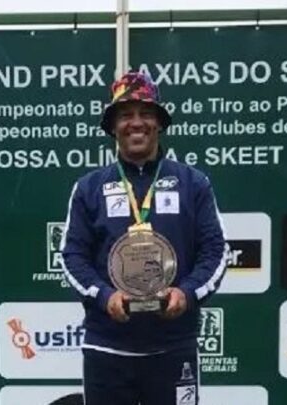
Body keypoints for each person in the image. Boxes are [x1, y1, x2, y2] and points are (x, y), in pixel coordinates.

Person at [60, 71, 227, 405]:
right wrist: (105, 295)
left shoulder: (193, 184)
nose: (136, 123)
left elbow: (216, 252)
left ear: (159, 123)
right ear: (112, 127)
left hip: (173, 346)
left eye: (146, 114)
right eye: (125, 115)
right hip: (107, 347)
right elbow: (71, 256)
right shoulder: (89, 188)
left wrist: (187, 292)